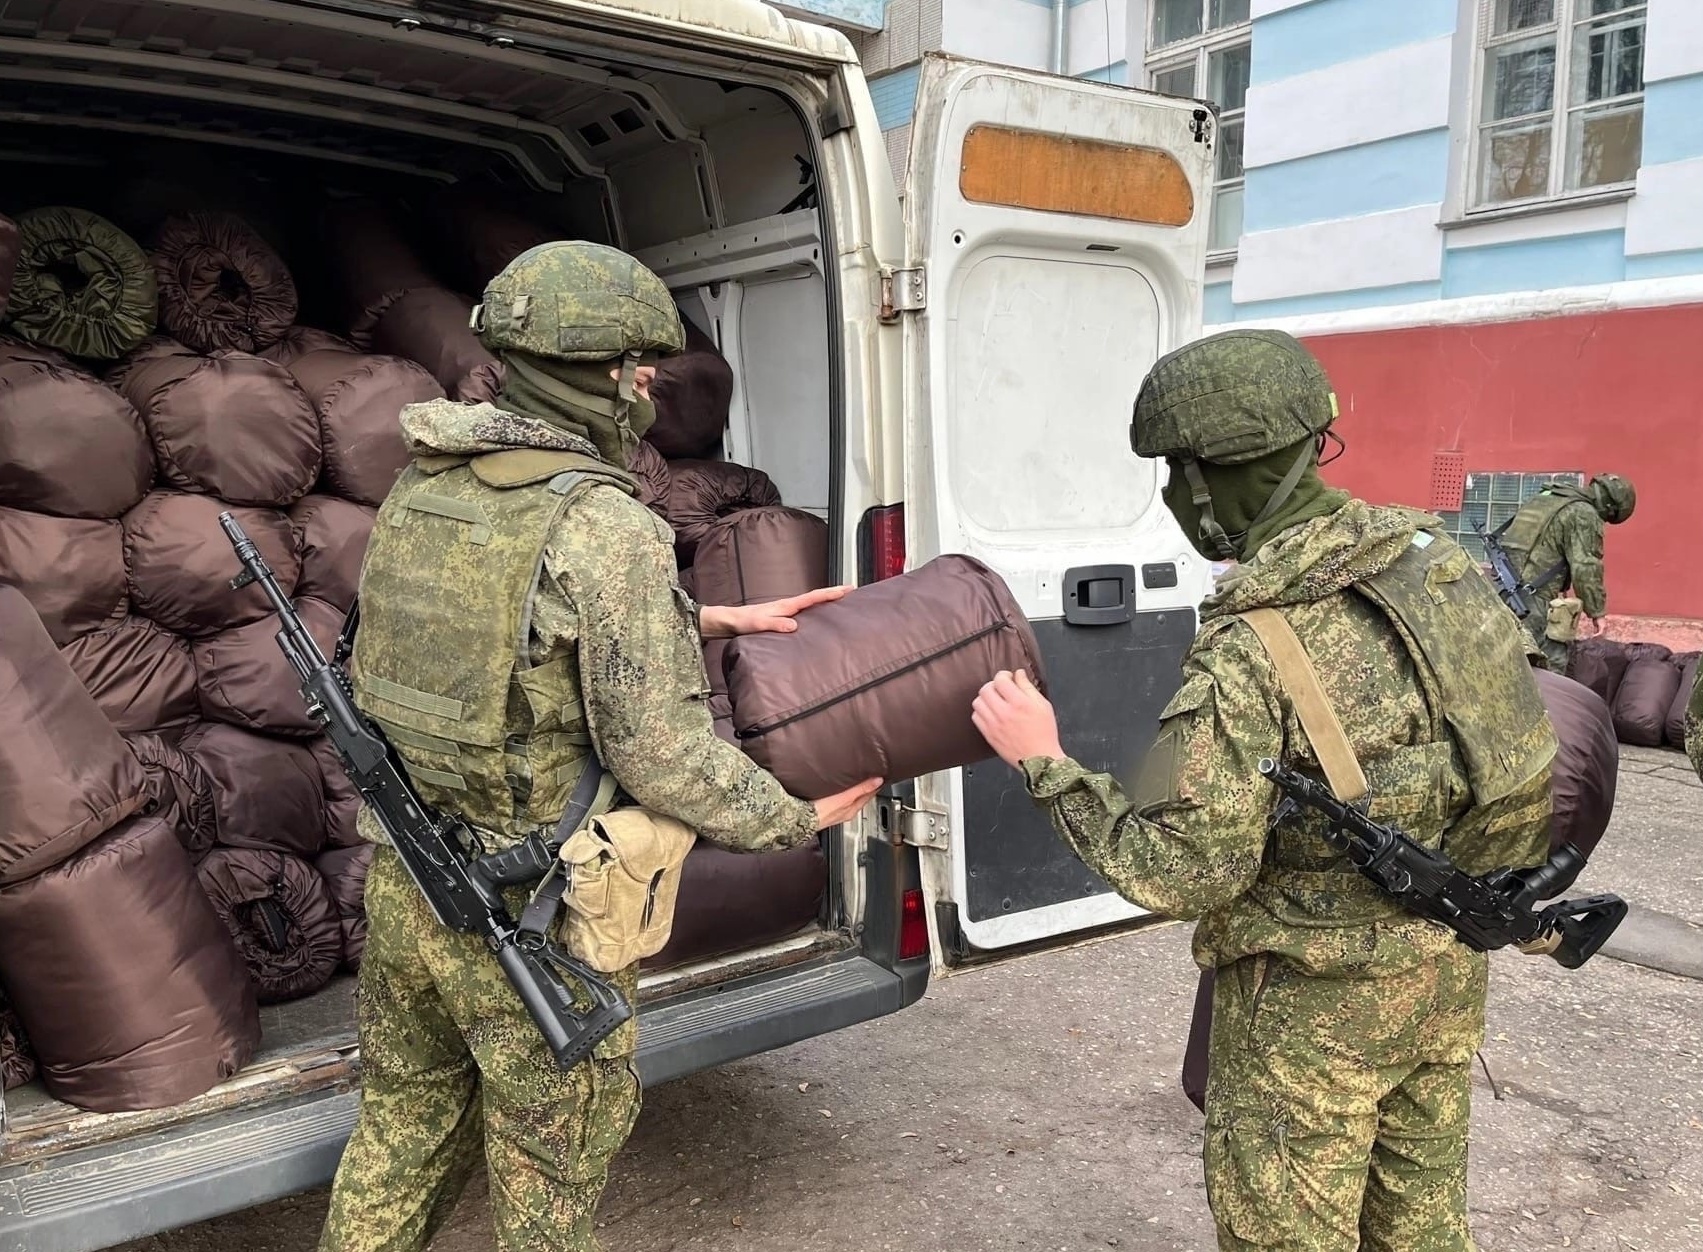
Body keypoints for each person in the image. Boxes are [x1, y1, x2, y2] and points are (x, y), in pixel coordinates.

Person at [318, 241, 881, 1252]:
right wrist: (791, 818)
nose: (647, 387)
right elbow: (660, 750)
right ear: (597, 374)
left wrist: (705, 619)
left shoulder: (428, 484)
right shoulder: (602, 522)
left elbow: (494, 629)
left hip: (409, 887)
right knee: (548, 1187)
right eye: (638, 367)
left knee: (399, 1130)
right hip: (529, 912)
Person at [971, 329, 1557, 1252]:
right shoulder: (1433, 565)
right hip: (1443, 974)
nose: (1167, 494)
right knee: (1423, 1236)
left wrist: (1042, 760)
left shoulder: (1251, 649)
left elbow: (1182, 870)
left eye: (1173, 469)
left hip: (1307, 1016)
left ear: (1217, 478)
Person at [1497, 473, 1636, 668]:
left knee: (1502, 662)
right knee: (1549, 665)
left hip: (1501, 589)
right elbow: (1586, 566)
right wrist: (1597, 612)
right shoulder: (1583, 513)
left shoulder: (1547, 497)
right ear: (1610, 507)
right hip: (1533, 601)